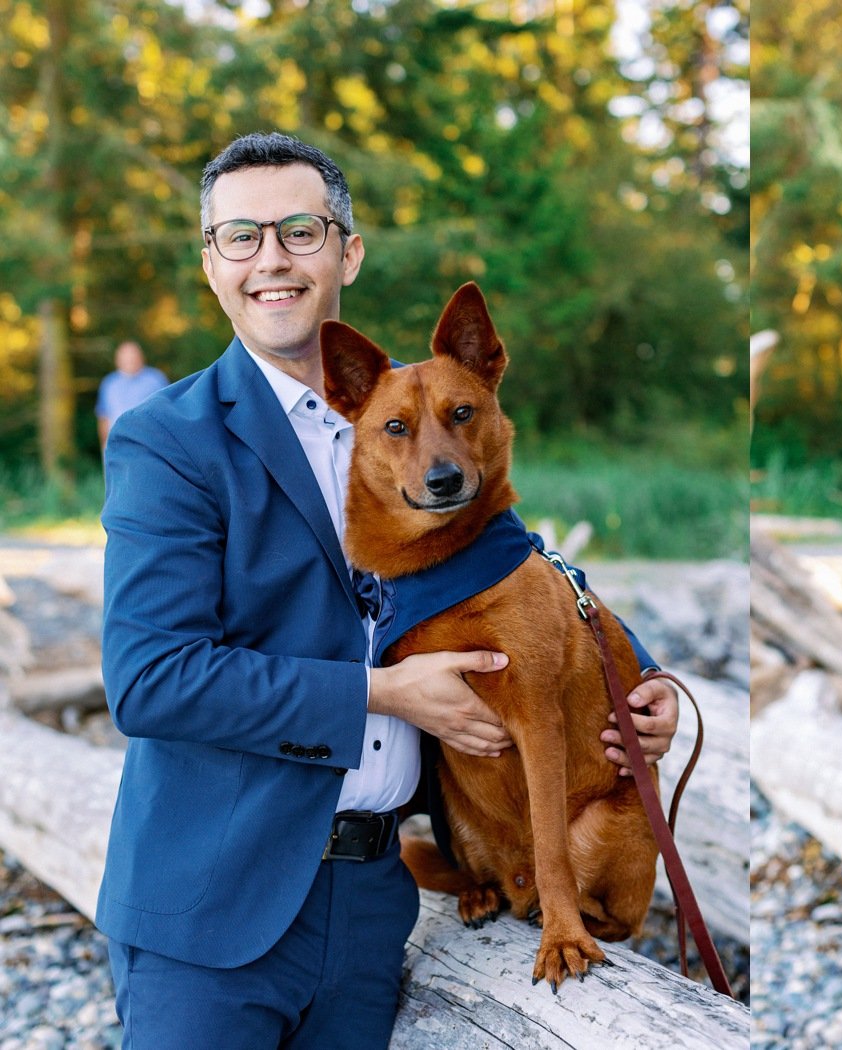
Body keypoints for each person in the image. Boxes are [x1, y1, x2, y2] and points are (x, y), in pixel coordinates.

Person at [97, 132, 680, 1048]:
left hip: (373, 907)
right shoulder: (168, 440)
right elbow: (150, 680)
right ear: (210, 264)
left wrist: (646, 686)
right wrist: (382, 691)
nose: (272, 259)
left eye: (299, 229)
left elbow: (522, 575)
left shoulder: (415, 421)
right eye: (240, 238)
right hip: (214, 904)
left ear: (348, 251)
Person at [95, 340, 168, 448]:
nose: (130, 361)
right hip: (118, 444)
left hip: (150, 443)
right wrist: (104, 447)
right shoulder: (109, 383)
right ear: (117, 361)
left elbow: (167, 411)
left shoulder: (156, 379)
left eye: (133, 357)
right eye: (126, 358)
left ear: (142, 358)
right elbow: (103, 417)